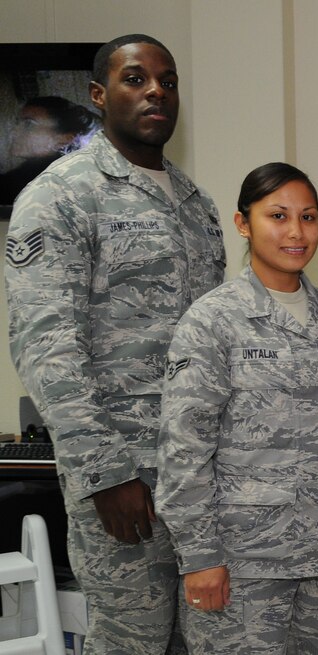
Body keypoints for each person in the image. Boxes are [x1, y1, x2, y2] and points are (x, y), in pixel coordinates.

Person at [4, 34, 225, 654]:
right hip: (124, 485)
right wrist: (105, 475)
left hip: (198, 479)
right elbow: (46, 345)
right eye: (136, 79)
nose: (156, 90)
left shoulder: (197, 206)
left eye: (168, 80)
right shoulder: (62, 195)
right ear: (99, 95)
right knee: (132, 644)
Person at [156, 163, 318, 653]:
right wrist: (199, 557)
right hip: (246, 563)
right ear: (244, 224)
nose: (295, 231)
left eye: (308, 217)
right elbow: (184, 450)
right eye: (277, 215)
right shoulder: (212, 322)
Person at [0, 96, 99, 204]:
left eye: (29, 124)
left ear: (64, 139)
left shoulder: (43, 183)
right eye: (17, 123)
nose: (14, 131)